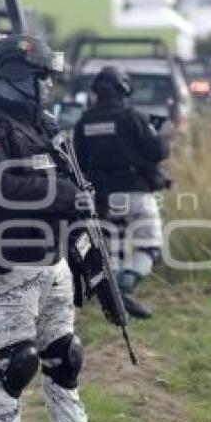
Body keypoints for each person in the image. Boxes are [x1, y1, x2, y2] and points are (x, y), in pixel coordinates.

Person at [0, 36, 134, 422]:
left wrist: (92, 253)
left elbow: (76, 193)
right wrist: (63, 195)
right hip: (10, 262)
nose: (48, 88)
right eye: (42, 79)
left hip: (54, 259)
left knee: (65, 356)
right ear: (18, 79)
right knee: (17, 364)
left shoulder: (47, 128)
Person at [73, 66, 170, 320]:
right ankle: (127, 284)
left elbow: (79, 163)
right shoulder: (134, 117)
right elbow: (157, 152)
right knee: (150, 247)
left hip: (101, 200)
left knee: (111, 254)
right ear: (124, 89)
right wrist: (155, 132)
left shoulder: (84, 123)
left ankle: (116, 296)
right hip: (136, 194)